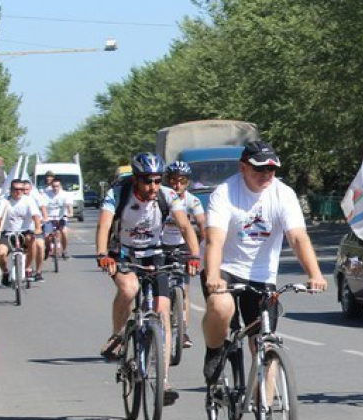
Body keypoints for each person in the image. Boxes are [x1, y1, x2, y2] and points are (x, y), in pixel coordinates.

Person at [202, 140, 327, 383]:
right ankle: (214, 350)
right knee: (221, 307)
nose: (266, 175)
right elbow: (214, 240)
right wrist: (214, 277)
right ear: (243, 167)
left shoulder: (283, 194)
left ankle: (265, 414)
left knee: (264, 344)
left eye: (271, 169)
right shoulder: (225, 193)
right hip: (225, 268)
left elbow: (298, 237)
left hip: (262, 276)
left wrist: (315, 274)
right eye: (259, 169)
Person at [95, 152, 201, 404]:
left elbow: (185, 226)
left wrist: (195, 255)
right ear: (135, 179)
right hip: (122, 252)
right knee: (130, 288)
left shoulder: (167, 195)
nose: (152, 186)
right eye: (146, 181)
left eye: (156, 180)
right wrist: (102, 255)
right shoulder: (118, 194)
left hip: (155, 253)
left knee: (163, 312)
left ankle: (163, 382)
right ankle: (117, 334)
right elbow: (104, 225)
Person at [162, 160, 206, 348]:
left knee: (184, 289)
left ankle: (183, 331)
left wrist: (204, 245)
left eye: (182, 181)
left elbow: (202, 223)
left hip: (183, 247)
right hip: (161, 245)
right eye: (173, 181)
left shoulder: (192, 201)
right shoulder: (161, 197)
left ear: (188, 182)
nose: (177, 185)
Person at [0, 178, 43, 286]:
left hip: (24, 232)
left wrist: (38, 227)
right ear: (11, 190)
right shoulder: (5, 201)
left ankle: (28, 268)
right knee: (0, 253)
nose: (18, 192)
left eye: (21, 189)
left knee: (32, 241)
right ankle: (6, 272)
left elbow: (35, 215)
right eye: (16, 189)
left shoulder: (28, 200)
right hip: (8, 233)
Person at [39, 176, 74, 260]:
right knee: (46, 235)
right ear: (51, 186)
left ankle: (64, 250)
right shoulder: (45, 194)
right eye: (54, 186)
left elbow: (69, 205)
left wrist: (70, 213)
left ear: (60, 186)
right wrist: (44, 217)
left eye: (57, 186)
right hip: (49, 217)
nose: (55, 188)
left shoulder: (65, 194)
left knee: (64, 231)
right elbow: (42, 206)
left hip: (61, 217)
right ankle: (47, 248)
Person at [23, 179, 46, 281]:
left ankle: (38, 272)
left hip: (35, 226)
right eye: (23, 189)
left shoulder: (34, 197)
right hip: (22, 229)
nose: (24, 192)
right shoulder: (15, 198)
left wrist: (45, 217)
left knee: (40, 246)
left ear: (31, 189)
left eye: (27, 189)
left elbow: (42, 207)